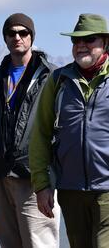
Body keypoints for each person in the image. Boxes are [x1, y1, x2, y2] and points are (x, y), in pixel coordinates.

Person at [30, 13, 109, 248]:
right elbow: (41, 134)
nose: (81, 45)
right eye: (76, 41)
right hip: (70, 190)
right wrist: (41, 185)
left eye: (89, 39)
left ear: (105, 43)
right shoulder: (59, 80)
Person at [0, 13, 59, 247]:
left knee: (39, 242)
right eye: (11, 33)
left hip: (35, 176)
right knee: (8, 242)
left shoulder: (51, 77)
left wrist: (50, 173)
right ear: (4, 38)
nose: (17, 37)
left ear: (31, 37)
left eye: (23, 32)